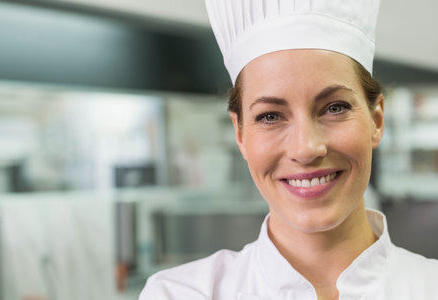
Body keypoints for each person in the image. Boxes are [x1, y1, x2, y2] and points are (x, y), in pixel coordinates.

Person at [139, 1, 438, 299]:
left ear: (376, 120)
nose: (306, 148)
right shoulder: (179, 294)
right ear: (240, 134)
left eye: (334, 108)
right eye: (270, 116)